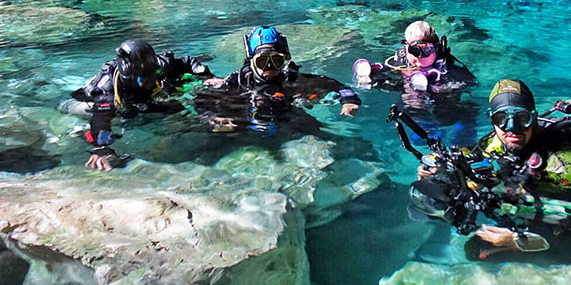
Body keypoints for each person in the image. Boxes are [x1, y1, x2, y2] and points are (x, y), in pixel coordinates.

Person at [413, 78, 571, 257]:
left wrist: (528, 240)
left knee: (481, 253)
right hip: (528, 191)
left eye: (521, 119)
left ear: (534, 116)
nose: (512, 129)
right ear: (492, 119)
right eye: (501, 119)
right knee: (474, 249)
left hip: (563, 203)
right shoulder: (495, 140)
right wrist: (440, 166)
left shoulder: (561, 162)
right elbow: (474, 156)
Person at [68, 39, 212, 170]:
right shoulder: (106, 90)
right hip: (97, 103)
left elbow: (187, 62)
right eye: (143, 80)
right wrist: (101, 148)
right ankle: (80, 131)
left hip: (142, 102)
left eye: (153, 75)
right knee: (91, 113)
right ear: (129, 77)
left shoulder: (159, 66)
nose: (149, 82)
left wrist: (209, 78)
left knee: (175, 112)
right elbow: (101, 120)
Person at [202, 26, 361, 130]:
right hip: (243, 123)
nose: (269, 67)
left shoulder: (290, 79)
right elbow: (203, 99)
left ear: (283, 60)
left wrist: (349, 100)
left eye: (276, 61)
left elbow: (333, 84)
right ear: (252, 61)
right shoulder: (238, 81)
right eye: (263, 61)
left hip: (286, 120)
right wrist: (213, 116)